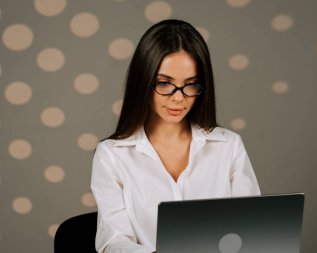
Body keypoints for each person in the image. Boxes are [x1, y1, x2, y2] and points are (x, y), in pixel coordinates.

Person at [91, 19, 261, 253]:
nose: (179, 98)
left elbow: (254, 230)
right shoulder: (111, 155)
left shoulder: (228, 146)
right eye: (164, 83)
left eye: (190, 85)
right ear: (143, 82)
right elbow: (113, 241)